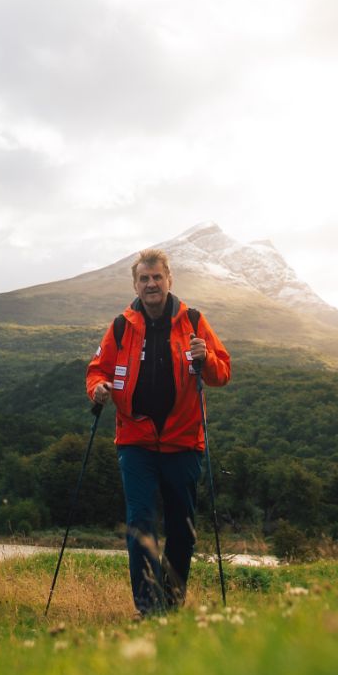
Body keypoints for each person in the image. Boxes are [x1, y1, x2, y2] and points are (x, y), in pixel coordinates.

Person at [86, 246, 231, 614]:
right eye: (144, 279)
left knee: (182, 530)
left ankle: (171, 603)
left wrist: (205, 358)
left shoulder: (193, 321)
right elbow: (97, 370)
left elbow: (222, 374)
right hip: (135, 442)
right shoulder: (121, 326)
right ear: (135, 285)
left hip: (184, 443)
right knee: (140, 524)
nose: (151, 284)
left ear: (169, 280)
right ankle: (149, 610)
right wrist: (98, 388)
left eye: (156, 277)